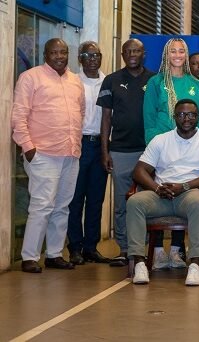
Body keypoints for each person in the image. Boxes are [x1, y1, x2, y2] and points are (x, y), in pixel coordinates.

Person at [128, 99, 199, 286]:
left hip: (189, 193)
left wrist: (184, 186)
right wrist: (156, 188)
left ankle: (195, 264)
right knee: (135, 202)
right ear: (174, 117)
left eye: (191, 115)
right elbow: (138, 171)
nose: (186, 118)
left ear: (198, 117)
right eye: (181, 114)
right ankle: (139, 263)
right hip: (161, 194)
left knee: (198, 202)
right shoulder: (160, 140)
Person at [12, 38, 85, 273]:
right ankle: (30, 257)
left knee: (62, 206)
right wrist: (28, 147)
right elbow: (19, 115)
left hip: (70, 153)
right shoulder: (30, 77)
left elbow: (80, 113)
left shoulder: (75, 81)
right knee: (42, 205)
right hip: (42, 153)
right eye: (54, 52)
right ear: (45, 54)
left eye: (63, 52)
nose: (59, 56)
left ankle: (54, 254)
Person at [142, 37, 199, 269]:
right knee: (160, 192)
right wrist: (152, 146)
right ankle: (157, 251)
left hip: (188, 149)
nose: (177, 55)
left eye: (181, 51)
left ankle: (177, 251)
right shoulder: (156, 82)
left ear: (186, 55)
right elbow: (148, 118)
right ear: (166, 55)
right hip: (161, 148)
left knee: (183, 193)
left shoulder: (195, 84)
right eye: (173, 51)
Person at [98, 38, 156, 267]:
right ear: (123, 54)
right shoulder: (111, 81)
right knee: (122, 203)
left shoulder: (154, 80)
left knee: (149, 201)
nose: (133, 54)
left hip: (149, 152)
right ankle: (125, 249)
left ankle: (144, 248)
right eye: (128, 51)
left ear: (144, 54)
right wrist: (105, 151)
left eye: (137, 51)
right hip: (120, 151)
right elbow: (105, 119)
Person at [67, 41, 110, 265]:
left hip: (101, 146)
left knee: (96, 199)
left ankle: (91, 247)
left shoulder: (108, 81)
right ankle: (75, 247)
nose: (93, 59)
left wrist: (106, 150)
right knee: (75, 199)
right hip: (78, 144)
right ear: (80, 58)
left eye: (97, 55)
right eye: (88, 55)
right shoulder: (72, 81)